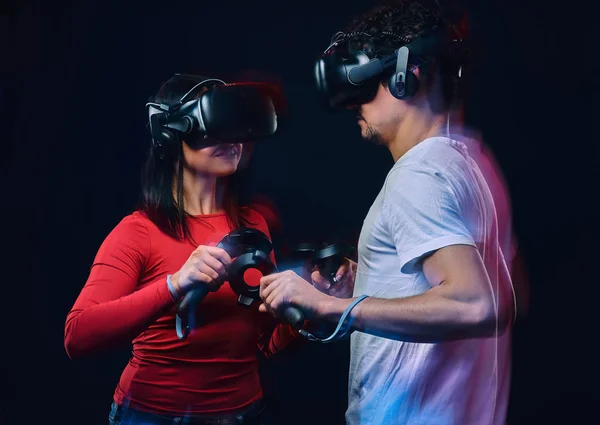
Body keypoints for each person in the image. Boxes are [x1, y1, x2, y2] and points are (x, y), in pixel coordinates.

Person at [258, 1, 527, 424]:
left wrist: (332, 308)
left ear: (406, 76)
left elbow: (479, 304)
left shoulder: (418, 176)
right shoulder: (474, 163)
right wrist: (371, 285)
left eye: (364, 82)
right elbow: (508, 294)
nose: (351, 103)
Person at [64, 73, 298, 425]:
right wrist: (175, 284)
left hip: (245, 414)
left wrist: (312, 309)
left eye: (234, 125)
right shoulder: (138, 232)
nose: (231, 139)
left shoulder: (253, 227)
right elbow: (78, 336)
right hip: (153, 417)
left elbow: (264, 343)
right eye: (214, 125)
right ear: (171, 134)